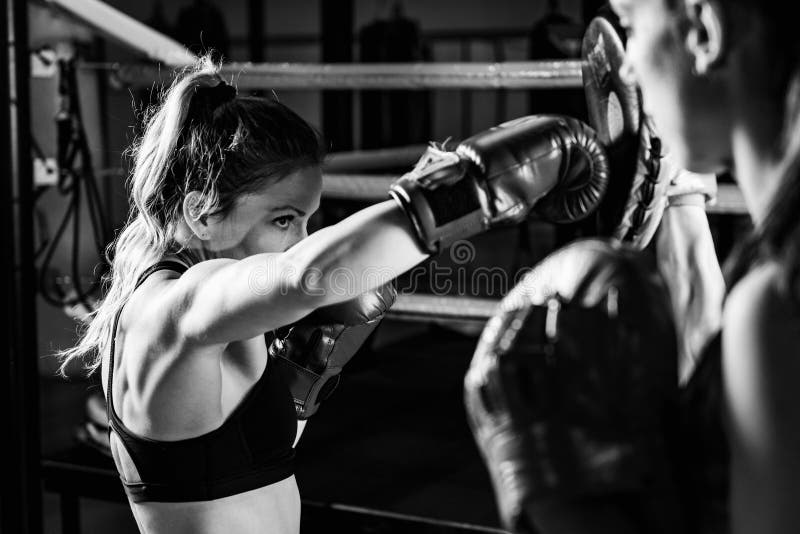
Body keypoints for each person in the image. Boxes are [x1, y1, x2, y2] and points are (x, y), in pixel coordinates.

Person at [57, 56, 608, 534]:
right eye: (283, 219)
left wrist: (307, 367)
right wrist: (470, 187)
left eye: (307, 221)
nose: (299, 240)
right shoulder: (174, 307)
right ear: (202, 213)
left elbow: (236, 473)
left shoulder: (207, 325)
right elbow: (306, 275)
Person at [611, 0, 800, 532]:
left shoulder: (776, 306)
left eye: (630, 26)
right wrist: (680, 199)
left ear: (704, 31)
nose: (625, 67)